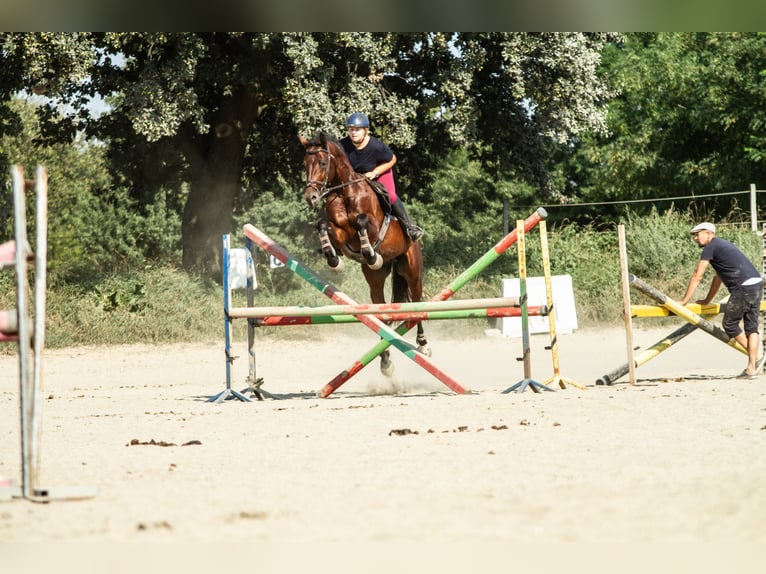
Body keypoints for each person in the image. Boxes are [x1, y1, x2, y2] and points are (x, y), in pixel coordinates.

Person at [679, 221, 764, 379]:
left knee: (730, 325)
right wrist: (706, 300)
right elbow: (718, 278)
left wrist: (684, 300)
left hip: (743, 287)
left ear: (709, 233)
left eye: (697, 235)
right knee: (751, 328)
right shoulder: (723, 246)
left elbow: (697, 275)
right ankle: (752, 367)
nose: (695, 238)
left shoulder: (710, 247)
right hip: (757, 284)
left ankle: (757, 357)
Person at [339, 112, 424, 242]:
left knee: (390, 195)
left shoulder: (376, 146)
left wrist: (375, 172)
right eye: (351, 129)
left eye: (357, 129)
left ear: (365, 131)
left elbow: (392, 159)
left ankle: (410, 227)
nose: (353, 133)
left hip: (379, 172)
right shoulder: (343, 144)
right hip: (357, 177)